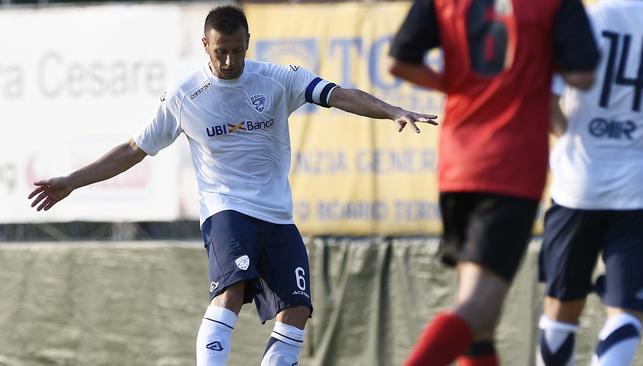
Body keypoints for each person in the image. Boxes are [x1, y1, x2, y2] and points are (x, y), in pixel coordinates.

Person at [27, 5, 438, 366]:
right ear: (204, 44)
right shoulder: (185, 95)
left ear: (248, 43)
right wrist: (72, 181)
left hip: (277, 215)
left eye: (237, 50)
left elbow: (337, 94)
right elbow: (134, 150)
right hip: (226, 210)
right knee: (231, 290)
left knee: (296, 309)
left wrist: (391, 110)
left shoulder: (276, 78)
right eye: (220, 50)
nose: (229, 60)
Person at [387, 0, 599, 365]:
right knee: (477, 305)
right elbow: (582, 75)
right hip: (511, 166)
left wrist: (456, 84)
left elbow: (399, 61)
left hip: (458, 162)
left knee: (482, 323)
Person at [537, 1, 643, 365]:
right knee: (626, 311)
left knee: (560, 311)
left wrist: (569, 135)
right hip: (640, 188)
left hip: (577, 184)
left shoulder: (584, 19)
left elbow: (545, 97)